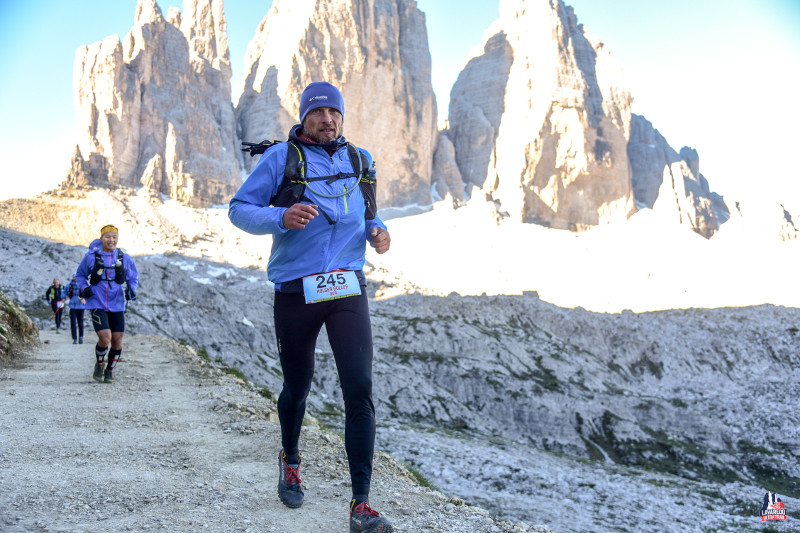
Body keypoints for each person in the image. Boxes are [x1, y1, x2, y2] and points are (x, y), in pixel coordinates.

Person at [228, 81, 393, 533]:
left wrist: (379, 232)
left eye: (333, 113)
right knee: (297, 385)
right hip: (296, 290)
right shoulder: (281, 159)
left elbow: (367, 212)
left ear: (342, 117)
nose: (327, 120)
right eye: (318, 112)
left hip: (346, 287)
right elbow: (239, 209)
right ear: (304, 117)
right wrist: (280, 216)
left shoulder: (359, 160)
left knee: (359, 388)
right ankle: (291, 457)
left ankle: (361, 504)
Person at [75, 224, 139, 384]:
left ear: (118, 239)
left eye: (114, 237)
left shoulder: (124, 258)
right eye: (108, 237)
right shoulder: (91, 257)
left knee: (117, 340)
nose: (111, 240)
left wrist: (131, 289)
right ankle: (100, 364)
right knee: (105, 338)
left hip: (117, 303)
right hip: (96, 301)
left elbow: (133, 278)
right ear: (101, 238)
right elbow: (80, 275)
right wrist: (84, 288)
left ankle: (109, 370)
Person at [67, 274, 86, 344]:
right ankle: (74, 338)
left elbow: (87, 292)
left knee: (80, 323)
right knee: (73, 323)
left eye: (76, 277)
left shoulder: (82, 285)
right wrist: (62, 298)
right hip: (72, 307)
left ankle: (81, 337)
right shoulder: (69, 285)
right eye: (74, 277)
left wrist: (84, 298)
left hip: (81, 307)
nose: (75, 278)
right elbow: (64, 292)